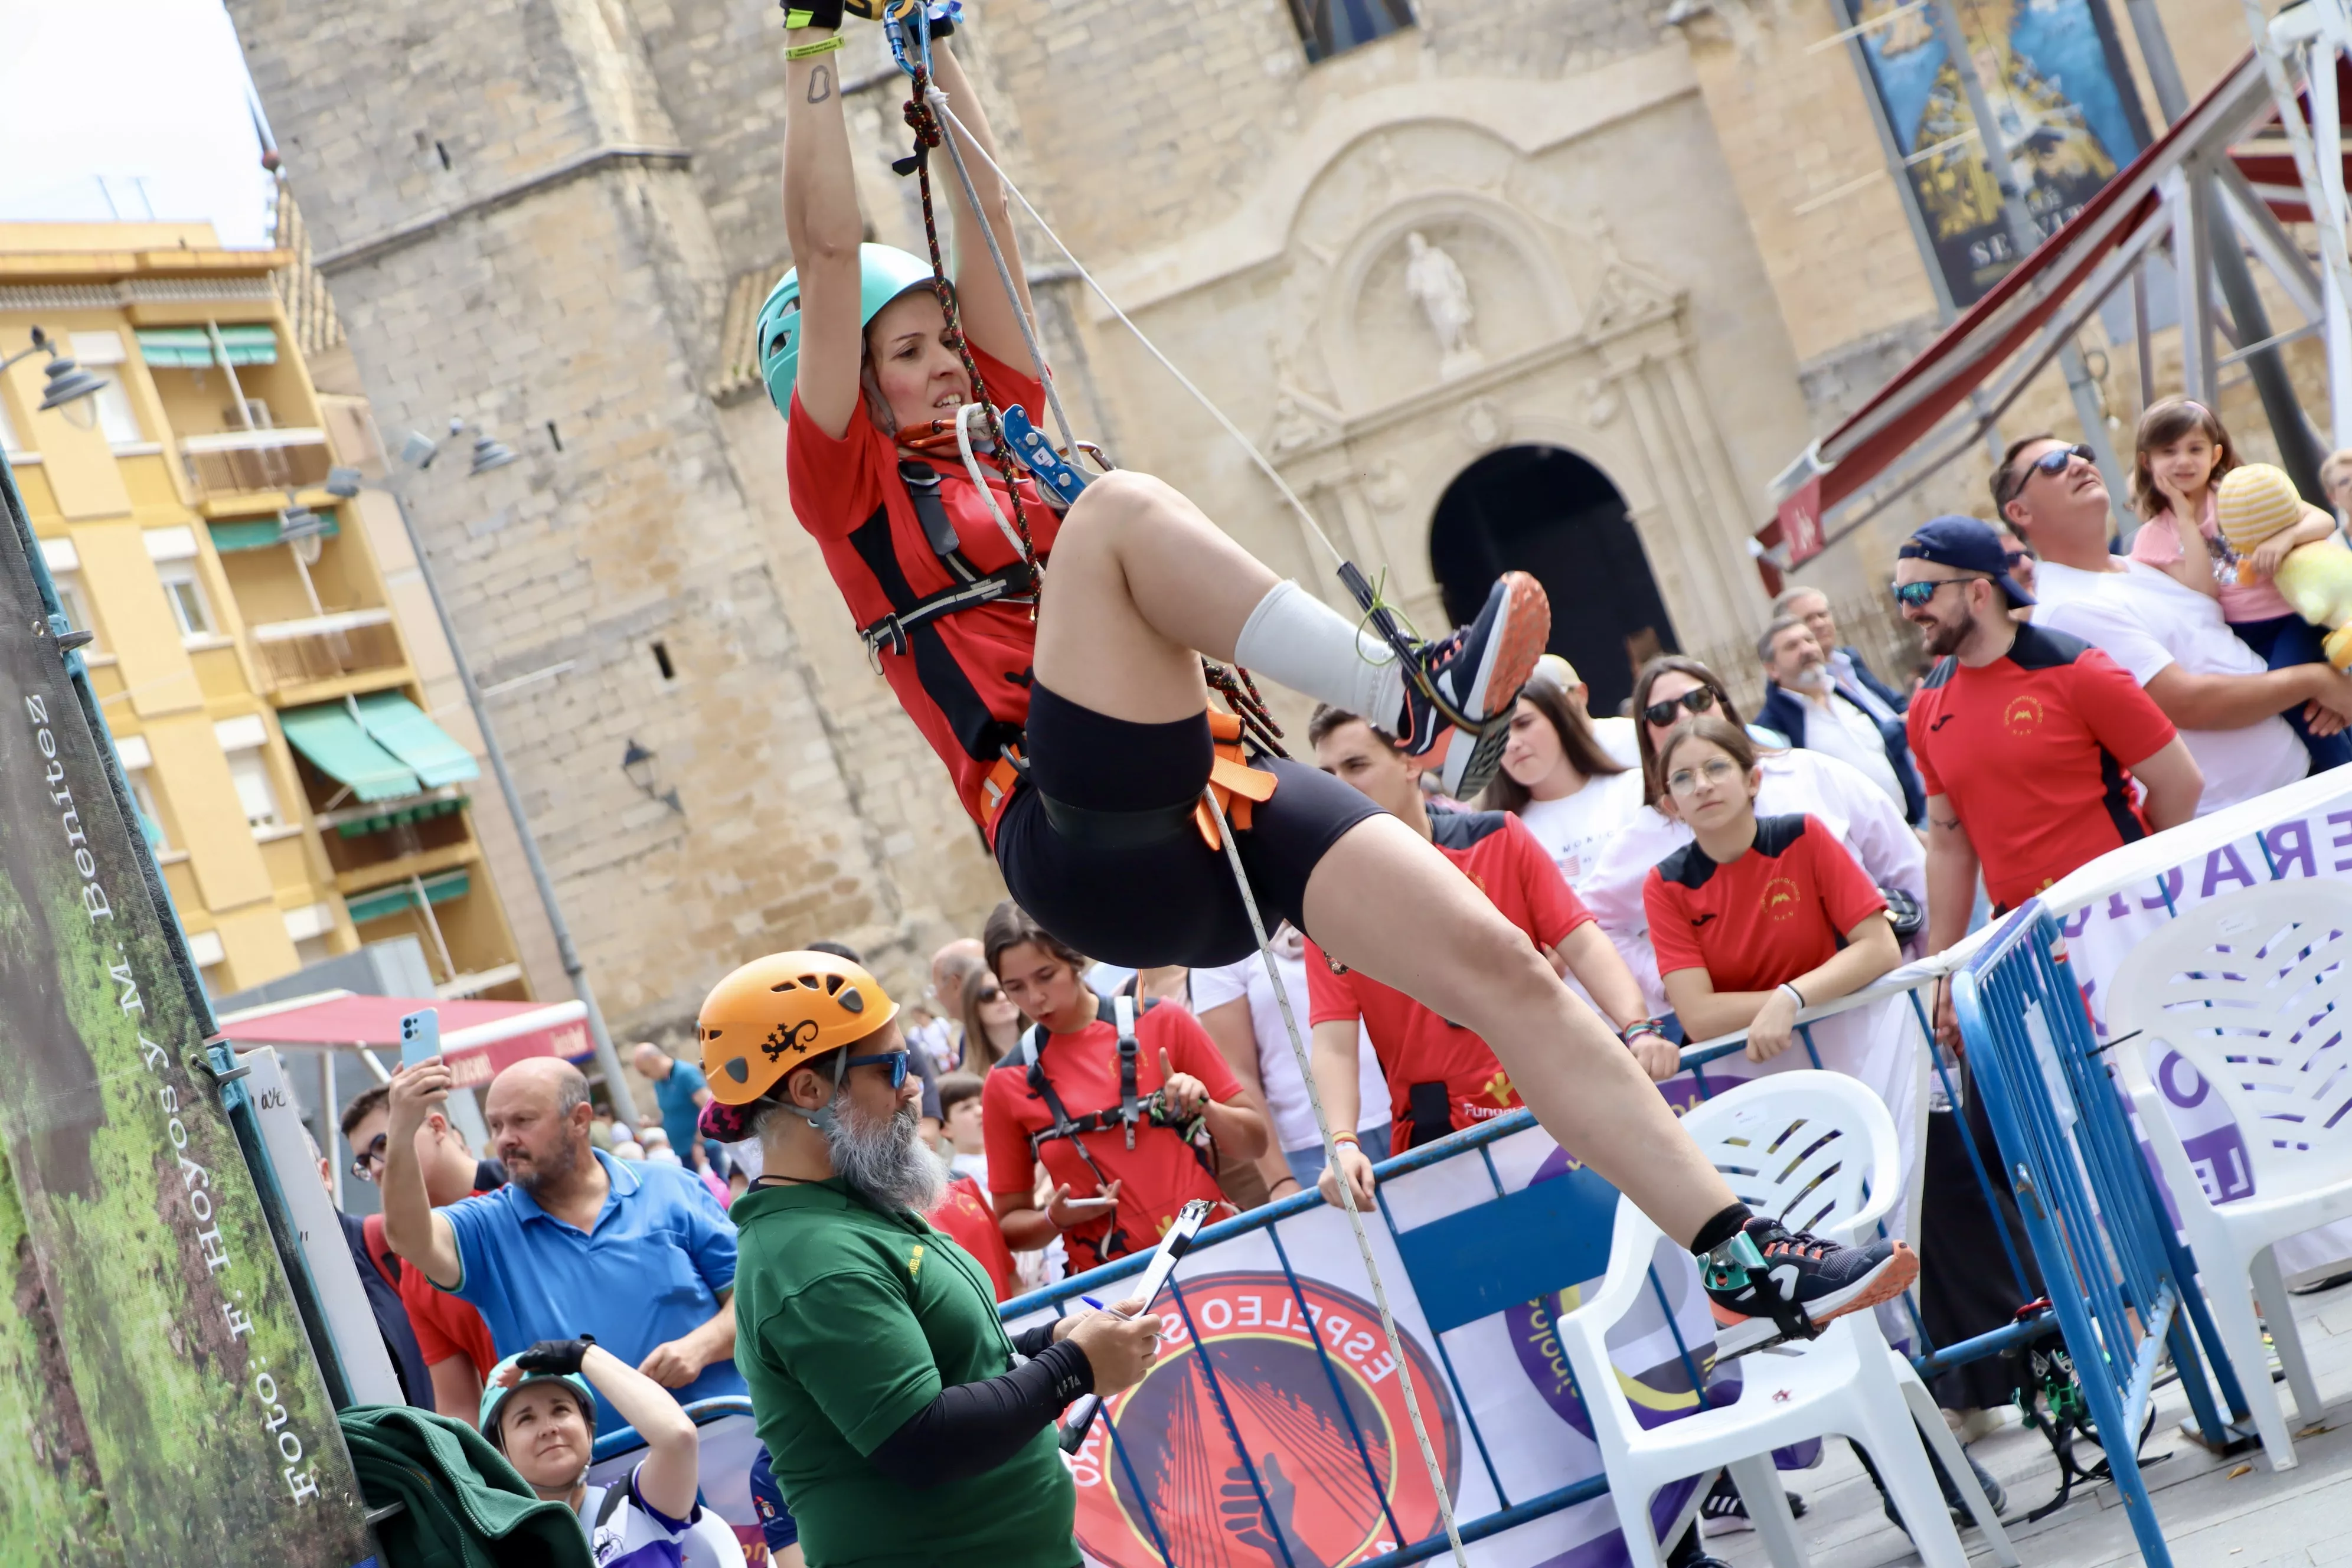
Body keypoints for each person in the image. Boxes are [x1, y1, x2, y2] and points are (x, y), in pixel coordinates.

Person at [775, 1, 1899, 1334]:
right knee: (1123, 511)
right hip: (1072, 828)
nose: (947, 359)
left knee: (1510, 973)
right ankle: (1412, 692)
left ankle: (1739, 1249)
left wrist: (932, 41)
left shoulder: (998, 429)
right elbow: (828, 244)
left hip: (1217, 801)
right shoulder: (842, 484)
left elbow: (991, 224)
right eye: (908, 351)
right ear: (846, 380)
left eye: (945, 339)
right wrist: (810, 42)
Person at [698, 947, 1166, 1567]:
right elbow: (920, 1438)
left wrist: (1046, 1339)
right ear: (808, 1089)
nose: (915, 1086)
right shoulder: (810, 1255)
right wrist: (1072, 1368)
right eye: (891, 1067)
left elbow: (946, 1362)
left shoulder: (850, 1206)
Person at [1306, 704, 1679, 1205]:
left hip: (1562, 1102)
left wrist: (1639, 1027)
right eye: (1327, 774)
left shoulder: (1499, 837)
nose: (1340, 786)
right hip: (1441, 1142)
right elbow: (1332, 1038)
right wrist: (1342, 1142)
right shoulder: (1323, 903)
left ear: (1412, 761)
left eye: (1357, 766)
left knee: (1622, 1265)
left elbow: (1582, 940)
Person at [1640, 716, 1922, 1242]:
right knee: (1820, 1232)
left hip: (1864, 1057)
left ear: (1753, 780)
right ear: (1669, 806)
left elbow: (1878, 946)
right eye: (1682, 778)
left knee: (1908, 1203)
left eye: (1716, 767)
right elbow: (1698, 1014)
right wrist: (1779, 1004)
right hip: (1766, 1090)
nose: (1701, 785)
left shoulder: (1804, 836)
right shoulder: (1665, 885)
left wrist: (1793, 999)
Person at [379, 1055, 746, 1431]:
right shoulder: (485, 1227)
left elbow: (753, 1298)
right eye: (496, 1125)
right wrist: (403, 1128)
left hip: (727, 1435)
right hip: (596, 1475)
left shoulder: (669, 1187)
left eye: (523, 1121)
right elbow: (408, 1236)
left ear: (580, 1119)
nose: (505, 1139)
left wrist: (701, 1347)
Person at [1995, 432, 2352, 812]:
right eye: (2053, 464)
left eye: (2080, 452)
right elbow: (2188, 703)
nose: (2079, 463)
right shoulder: (2070, 607)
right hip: (2260, 817)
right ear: (2020, 512)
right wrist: (2316, 682)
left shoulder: (2136, 566)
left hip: (2303, 782)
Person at [1896, 515, 2202, 948]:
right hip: (2028, 949)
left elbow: (2181, 782)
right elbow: (1949, 848)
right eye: (1900, 596)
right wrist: (1943, 968)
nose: (1909, 611)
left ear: (1979, 592)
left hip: (2130, 922)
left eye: (1919, 592)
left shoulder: (2079, 670)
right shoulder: (1926, 707)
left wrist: (2133, 873)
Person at [1583, 656, 1927, 1020]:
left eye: (1698, 700)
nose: (1686, 717)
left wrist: (1938, 977)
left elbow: (1907, 870)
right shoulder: (1645, 841)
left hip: (1883, 1010)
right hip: (1759, 1052)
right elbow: (1592, 927)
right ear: (1646, 734)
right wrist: (1671, 978)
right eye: (1663, 713)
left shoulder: (1809, 774)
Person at [978, 902, 1269, 1270]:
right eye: (1015, 988)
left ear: (1075, 959)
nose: (1034, 999)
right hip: (1112, 1290)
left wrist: (1206, 1107)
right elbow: (1009, 1227)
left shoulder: (1162, 1020)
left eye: (1046, 975)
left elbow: (1255, 1143)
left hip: (1216, 1254)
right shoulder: (1006, 1082)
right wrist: (1054, 1219)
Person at [2124, 398, 2351, 771]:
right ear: (2148, 461)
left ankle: (2340, 778)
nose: (2183, 461)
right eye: (2169, 451)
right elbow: (2204, 594)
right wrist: (2183, 516)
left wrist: (2285, 538)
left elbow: (2322, 521)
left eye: (2195, 449)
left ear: (2215, 455)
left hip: (2295, 616)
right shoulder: (2151, 540)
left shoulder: (2242, 489)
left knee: (2293, 696)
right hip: (2242, 636)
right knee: (2299, 708)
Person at [480, 1336, 746, 1567]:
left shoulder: (636, 1505)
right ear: (499, 1451)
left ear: (588, 1428)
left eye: (560, 1410)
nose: (548, 1428)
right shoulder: (497, 1551)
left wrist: (583, 1354)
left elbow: (677, 1437)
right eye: (526, 1419)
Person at [342, 1081, 505, 1423]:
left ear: (437, 1127)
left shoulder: (521, 1196)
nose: (375, 1168)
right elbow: (460, 1409)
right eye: (363, 1161)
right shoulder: (415, 1267)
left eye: (384, 1143)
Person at [1194, 923, 1393, 1200]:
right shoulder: (1221, 948)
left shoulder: (1333, 908)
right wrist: (1280, 1181)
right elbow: (1238, 1073)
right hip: (1309, 1148)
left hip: (1402, 1113)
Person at [1484, 661, 1647, 894]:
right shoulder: (1499, 837)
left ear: (1559, 720)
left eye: (1523, 724)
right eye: (1496, 735)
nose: (1512, 744)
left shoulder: (1635, 789)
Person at [1754, 615, 1925, 824]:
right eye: (1792, 646)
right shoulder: (1773, 728)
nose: (1807, 649)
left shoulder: (1843, 695)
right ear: (1772, 669)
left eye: (1809, 640)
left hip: (1908, 825)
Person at [1774, 584, 1910, 718]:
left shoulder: (1848, 658)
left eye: (1823, 615)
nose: (1820, 624)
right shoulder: (1806, 682)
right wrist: (1902, 724)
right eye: (1808, 619)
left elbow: (1892, 701)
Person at [1533, 652, 1640, 767]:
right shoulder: (1544, 769)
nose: (1549, 711)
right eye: (1536, 706)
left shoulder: (1630, 734)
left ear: (1581, 693)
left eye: (1555, 700)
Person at [633, 1043, 713, 1172]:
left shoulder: (685, 1074)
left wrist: (699, 1142)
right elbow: (673, 1115)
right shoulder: (659, 1083)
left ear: (654, 1060)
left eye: (644, 1072)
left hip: (702, 1150)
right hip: (682, 1151)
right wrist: (653, 1124)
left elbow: (708, 1107)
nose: (644, 1077)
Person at [912, 937, 985, 1073]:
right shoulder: (971, 1034)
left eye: (936, 988)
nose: (936, 997)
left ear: (955, 985)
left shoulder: (999, 1027)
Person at [957, 965, 1023, 1073]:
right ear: (973, 1007)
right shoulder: (969, 1077)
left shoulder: (1047, 1045)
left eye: (1008, 988)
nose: (1002, 997)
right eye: (988, 994)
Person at [936, 1071, 989, 1185]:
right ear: (946, 1128)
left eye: (982, 1102)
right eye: (966, 1108)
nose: (980, 1111)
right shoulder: (963, 1176)